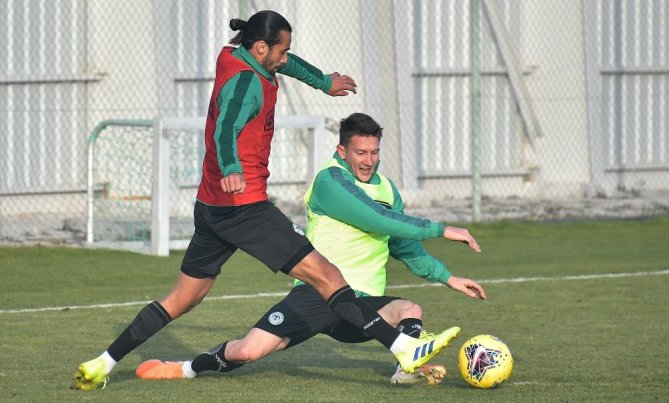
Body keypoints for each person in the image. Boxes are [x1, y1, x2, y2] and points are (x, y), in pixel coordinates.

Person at [72, 11, 459, 390]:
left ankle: (102, 363)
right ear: (261, 48)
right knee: (329, 276)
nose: (285, 57)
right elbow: (226, 129)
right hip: (245, 207)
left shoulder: (234, 56)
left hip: (210, 208)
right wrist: (231, 167)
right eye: (281, 51)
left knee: (182, 299)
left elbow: (288, 66)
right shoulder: (245, 85)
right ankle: (403, 347)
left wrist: (323, 82)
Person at [134, 112, 486, 385]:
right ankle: (186, 368)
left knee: (410, 308)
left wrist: (448, 277)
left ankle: (405, 370)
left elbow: (403, 244)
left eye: (374, 152)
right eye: (360, 152)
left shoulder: (388, 189)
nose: (368, 160)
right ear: (342, 151)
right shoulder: (330, 182)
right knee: (248, 350)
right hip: (319, 295)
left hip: (360, 308)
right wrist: (442, 229)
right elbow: (378, 219)